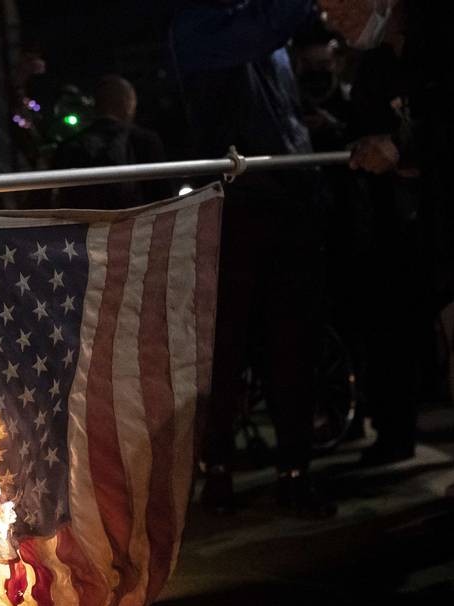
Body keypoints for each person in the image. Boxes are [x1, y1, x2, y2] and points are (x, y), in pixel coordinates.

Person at [173, 0, 335, 517]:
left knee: (294, 348)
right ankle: (217, 471)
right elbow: (256, 33)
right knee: (225, 350)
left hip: (287, 203)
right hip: (234, 209)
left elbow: (284, 116)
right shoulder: (196, 22)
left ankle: (295, 472)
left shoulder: (270, 38)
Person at [320, 0, 453, 465]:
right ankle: (395, 433)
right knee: (400, 335)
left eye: (337, 4)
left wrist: (402, 146)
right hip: (404, 228)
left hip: (436, 215)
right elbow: (367, 134)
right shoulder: (375, 67)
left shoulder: (438, 40)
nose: (331, 18)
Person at [53, 75, 173, 209]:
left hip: (87, 227)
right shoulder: (146, 140)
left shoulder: (69, 146)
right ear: (127, 103)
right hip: (138, 224)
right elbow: (163, 196)